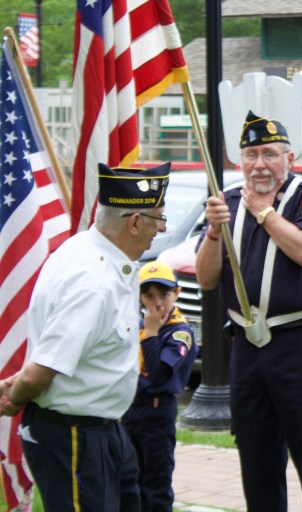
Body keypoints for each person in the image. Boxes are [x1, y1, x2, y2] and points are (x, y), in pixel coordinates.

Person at [0, 163, 171, 511]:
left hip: (102, 430)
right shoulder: (93, 280)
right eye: (158, 220)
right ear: (135, 222)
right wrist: (14, 397)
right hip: (75, 436)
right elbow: (41, 370)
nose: (161, 229)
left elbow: (64, 346)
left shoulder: (93, 254)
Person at [195, 112, 302, 511]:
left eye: (270, 154)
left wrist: (264, 212)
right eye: (251, 154)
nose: (260, 164)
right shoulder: (228, 202)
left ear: (290, 158)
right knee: (256, 459)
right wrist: (211, 233)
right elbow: (207, 280)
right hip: (247, 348)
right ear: (239, 159)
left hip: (300, 345)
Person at [122, 261, 198, 512]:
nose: (156, 303)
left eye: (163, 294)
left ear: (177, 293)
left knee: (155, 484)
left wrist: (153, 332)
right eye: (148, 295)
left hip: (156, 414)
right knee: (129, 481)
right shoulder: (140, 325)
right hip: (130, 411)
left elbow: (157, 373)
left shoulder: (179, 332)